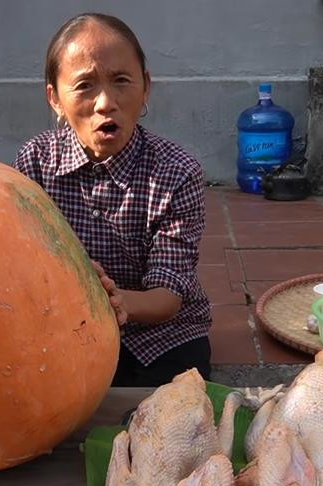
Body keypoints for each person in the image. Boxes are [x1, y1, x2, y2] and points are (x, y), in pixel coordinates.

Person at [15, 13, 212, 387]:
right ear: (54, 98)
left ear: (146, 88)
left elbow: (167, 294)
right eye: (85, 85)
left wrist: (116, 302)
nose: (106, 102)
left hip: (163, 332)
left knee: (174, 401)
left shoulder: (177, 172)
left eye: (121, 81)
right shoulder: (35, 163)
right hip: (67, 325)